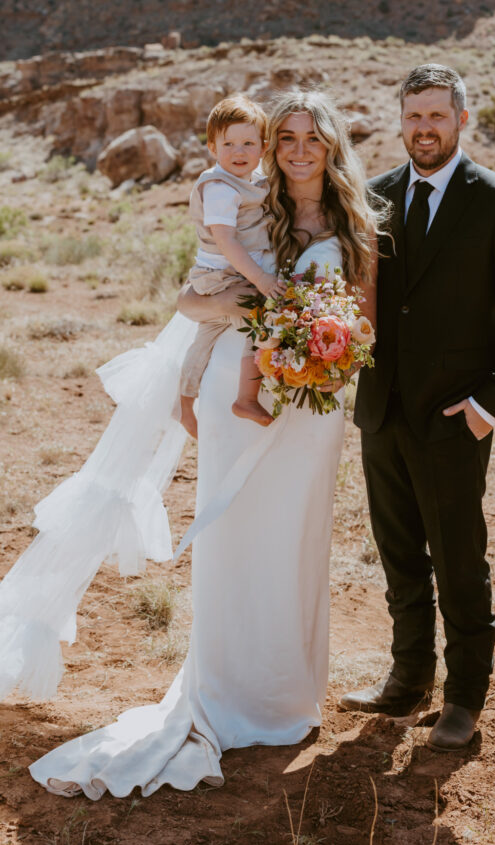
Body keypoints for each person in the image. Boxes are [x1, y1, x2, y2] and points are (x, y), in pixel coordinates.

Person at [15, 89, 380, 798]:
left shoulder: (353, 223)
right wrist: (251, 311)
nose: (298, 149)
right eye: (286, 138)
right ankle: (227, 694)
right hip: (236, 392)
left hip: (312, 407)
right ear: (273, 147)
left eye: (312, 137)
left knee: (295, 543)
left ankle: (284, 698)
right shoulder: (252, 206)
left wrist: (326, 355)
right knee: (236, 540)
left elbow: (363, 323)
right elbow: (190, 300)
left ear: (332, 146)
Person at [342, 64, 495, 751]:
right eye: (412, 117)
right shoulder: (372, 196)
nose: (423, 128)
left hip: (452, 419)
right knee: (399, 557)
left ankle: (463, 697)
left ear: (461, 119)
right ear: (400, 123)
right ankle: (407, 680)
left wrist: (488, 406)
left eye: (435, 115)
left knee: (458, 560)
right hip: (382, 412)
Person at [178, 94, 283, 437]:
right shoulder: (221, 187)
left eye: (248, 143)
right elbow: (227, 241)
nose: (239, 152)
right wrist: (263, 280)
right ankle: (246, 396)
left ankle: (184, 401)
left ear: (263, 148)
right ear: (212, 147)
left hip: (223, 274)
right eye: (229, 143)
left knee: (205, 337)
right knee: (263, 316)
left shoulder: (250, 182)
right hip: (221, 276)